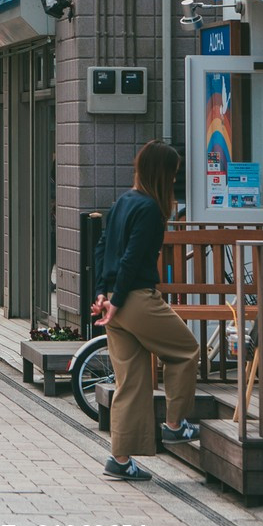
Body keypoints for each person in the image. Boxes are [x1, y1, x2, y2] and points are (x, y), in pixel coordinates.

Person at [91, 140, 201, 482]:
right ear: (163, 173)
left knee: (131, 382)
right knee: (185, 350)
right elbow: (133, 258)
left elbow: (102, 247)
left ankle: (120, 461)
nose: (174, 181)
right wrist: (121, 299)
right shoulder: (151, 209)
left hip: (113, 300)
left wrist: (102, 296)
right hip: (134, 299)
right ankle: (173, 424)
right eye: (173, 175)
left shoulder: (122, 201)